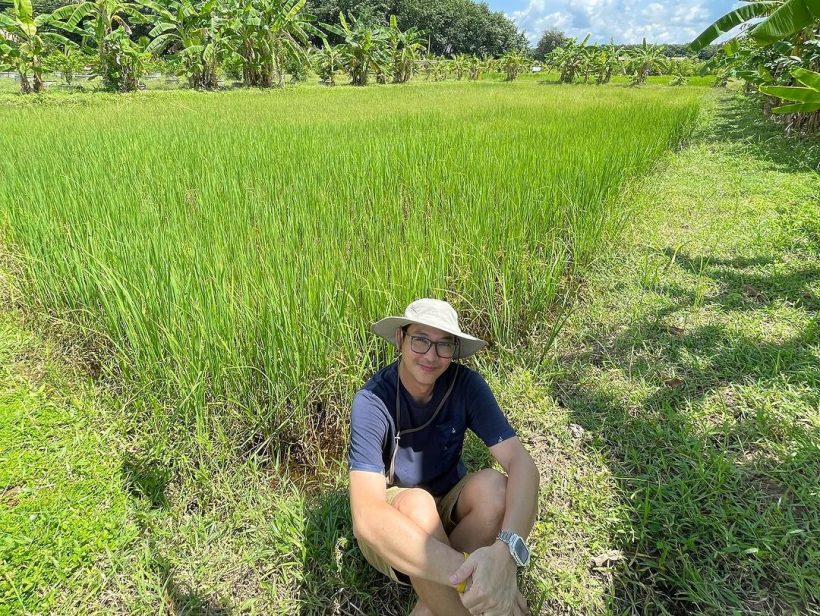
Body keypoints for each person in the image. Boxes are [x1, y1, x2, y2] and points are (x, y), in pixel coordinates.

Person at [348, 298, 540, 616]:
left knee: (495, 488)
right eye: (420, 340)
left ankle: (433, 600)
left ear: (454, 350)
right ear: (400, 339)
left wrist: (505, 556)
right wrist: (478, 577)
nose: (431, 356)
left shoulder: (465, 386)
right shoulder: (373, 401)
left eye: (443, 345)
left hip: (448, 507)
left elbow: (522, 465)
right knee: (417, 504)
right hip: (398, 527)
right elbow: (367, 516)